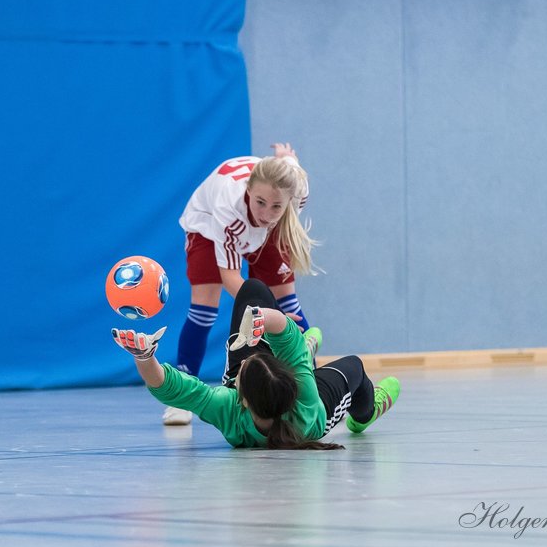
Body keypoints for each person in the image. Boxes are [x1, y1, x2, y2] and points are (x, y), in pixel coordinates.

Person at [113, 279, 400, 449]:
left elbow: (171, 387)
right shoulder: (307, 408)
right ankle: (367, 414)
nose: (250, 357)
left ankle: (304, 353)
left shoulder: (227, 408)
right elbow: (288, 338)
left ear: (242, 400)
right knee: (355, 367)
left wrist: (144, 357)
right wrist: (268, 321)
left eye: (238, 375)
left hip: (284, 378)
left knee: (252, 288)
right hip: (316, 404)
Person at [163, 142, 320, 426]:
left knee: (289, 301)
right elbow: (232, 279)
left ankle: (314, 388)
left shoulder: (293, 193)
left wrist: (286, 158)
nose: (267, 212)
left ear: (289, 200)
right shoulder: (229, 208)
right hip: (208, 225)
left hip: (267, 228)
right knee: (204, 307)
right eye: (260, 202)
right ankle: (180, 399)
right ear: (248, 191)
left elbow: (291, 169)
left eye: (276, 206)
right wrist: (276, 319)